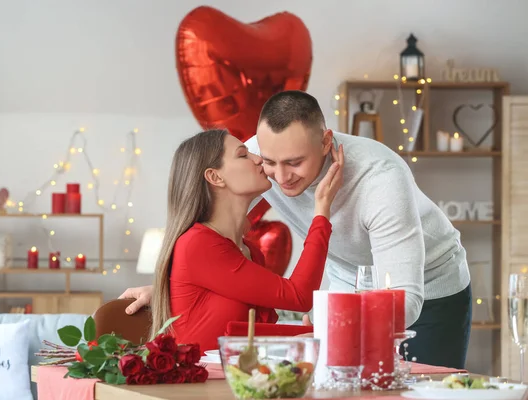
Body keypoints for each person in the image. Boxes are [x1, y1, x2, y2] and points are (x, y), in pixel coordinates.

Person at [121, 91, 472, 369]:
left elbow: (405, 300)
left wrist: (328, 315)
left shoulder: (380, 182)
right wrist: (168, 286)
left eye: (295, 163)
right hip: (345, 281)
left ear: (325, 142)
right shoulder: (259, 157)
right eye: (269, 162)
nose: (281, 176)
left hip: (430, 287)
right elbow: (212, 212)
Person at [146, 129, 344, 351]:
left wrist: (311, 334)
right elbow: (299, 296)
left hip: (232, 380)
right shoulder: (197, 244)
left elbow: (243, 334)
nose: (259, 160)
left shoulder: (249, 250)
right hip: (197, 383)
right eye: (243, 155)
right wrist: (322, 209)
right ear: (215, 177)